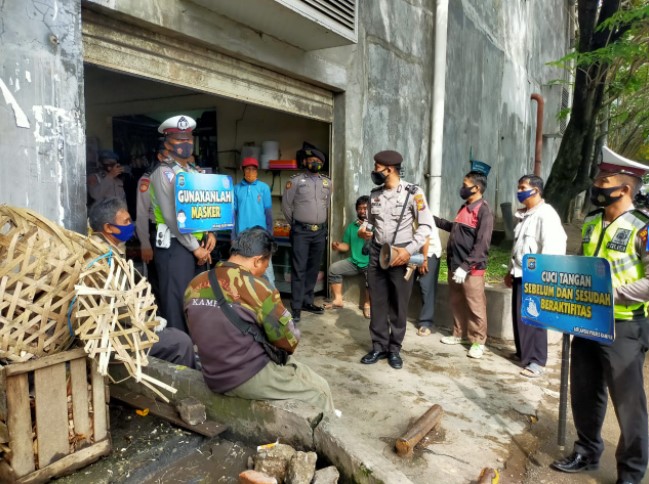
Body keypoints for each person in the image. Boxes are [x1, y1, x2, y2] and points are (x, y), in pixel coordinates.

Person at [551, 147, 649, 484]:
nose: (596, 184)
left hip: (624, 325)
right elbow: (581, 264)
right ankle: (587, 451)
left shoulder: (642, 228)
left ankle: (631, 474)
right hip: (587, 320)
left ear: (624, 188)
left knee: (629, 404)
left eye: (603, 180)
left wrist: (615, 293)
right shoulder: (592, 221)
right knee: (584, 390)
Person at [184, 227, 335, 413]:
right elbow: (289, 341)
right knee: (320, 391)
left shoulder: (195, 283)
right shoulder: (258, 288)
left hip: (212, 374)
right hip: (245, 376)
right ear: (257, 261)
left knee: (303, 372)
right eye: (266, 264)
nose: (265, 270)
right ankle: (327, 440)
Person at [87, 197, 196, 368]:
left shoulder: (103, 249)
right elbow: (118, 305)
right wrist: (147, 322)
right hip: (115, 336)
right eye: (126, 221)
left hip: (117, 327)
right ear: (108, 228)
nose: (131, 225)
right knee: (180, 341)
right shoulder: (104, 259)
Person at [357, 150, 433, 369]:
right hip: (377, 253)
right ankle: (378, 347)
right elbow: (371, 223)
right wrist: (365, 231)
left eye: (376, 167)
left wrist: (408, 251)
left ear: (388, 169)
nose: (374, 171)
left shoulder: (413, 193)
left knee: (399, 304)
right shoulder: (374, 194)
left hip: (402, 254)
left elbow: (426, 226)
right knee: (378, 301)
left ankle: (394, 349)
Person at [149, 115, 216, 333]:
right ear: (167, 143)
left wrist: (209, 234)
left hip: (196, 247)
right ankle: (179, 355)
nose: (185, 143)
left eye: (188, 138)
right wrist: (196, 248)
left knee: (196, 298)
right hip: (175, 247)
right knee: (176, 302)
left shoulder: (194, 172)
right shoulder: (164, 173)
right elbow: (172, 216)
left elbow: (202, 207)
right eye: (179, 139)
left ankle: (194, 346)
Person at [504, 174, 566, 377]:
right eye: (519, 187)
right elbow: (518, 246)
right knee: (521, 317)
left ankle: (536, 361)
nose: (519, 191)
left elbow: (552, 248)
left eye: (523, 187)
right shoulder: (525, 215)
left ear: (536, 190)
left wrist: (544, 277)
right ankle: (524, 352)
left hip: (537, 276)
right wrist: (509, 271)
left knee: (535, 319)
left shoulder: (546, 215)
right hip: (521, 272)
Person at [435, 169, 494, 359]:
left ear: (476, 188)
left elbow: (482, 244)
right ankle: (459, 334)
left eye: (465, 185)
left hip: (471, 269)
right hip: (455, 265)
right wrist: (432, 219)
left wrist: (465, 266)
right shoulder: (464, 207)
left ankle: (478, 341)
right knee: (457, 302)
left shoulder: (483, 210)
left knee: (475, 306)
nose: (462, 188)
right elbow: (455, 229)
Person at [281, 142, 332, 322]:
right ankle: (296, 307)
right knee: (299, 269)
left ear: (322, 163)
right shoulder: (295, 181)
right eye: (310, 160)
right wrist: (297, 225)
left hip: (319, 232)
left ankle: (307, 301)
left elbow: (326, 205)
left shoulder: (327, 182)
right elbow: (287, 206)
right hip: (301, 231)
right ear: (305, 162)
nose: (313, 163)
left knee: (313, 268)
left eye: (317, 160)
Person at [325, 195, 371, 318]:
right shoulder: (352, 226)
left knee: (373, 279)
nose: (362, 211)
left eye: (365, 208)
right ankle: (338, 300)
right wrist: (338, 246)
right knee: (334, 269)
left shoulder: (376, 225)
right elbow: (347, 246)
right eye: (360, 208)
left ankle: (367, 305)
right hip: (354, 262)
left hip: (370, 263)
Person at [233, 156, 275, 286]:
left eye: (253, 169)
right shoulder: (236, 189)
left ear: (257, 171)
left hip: (260, 237)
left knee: (267, 273)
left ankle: (272, 301)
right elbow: (233, 215)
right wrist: (233, 237)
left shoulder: (264, 188)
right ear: (242, 170)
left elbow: (268, 214)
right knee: (243, 273)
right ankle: (247, 303)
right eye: (248, 169)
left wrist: (270, 235)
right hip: (242, 237)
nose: (250, 172)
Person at [135, 154, 160, 300]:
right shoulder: (148, 179)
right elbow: (142, 213)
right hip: (156, 233)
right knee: (157, 280)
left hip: (177, 236)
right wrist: (145, 243)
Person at [415, 229, 443, 337]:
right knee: (404, 282)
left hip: (429, 251)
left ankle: (426, 322)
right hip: (411, 249)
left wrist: (424, 258)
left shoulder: (421, 211)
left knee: (427, 286)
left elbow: (425, 234)